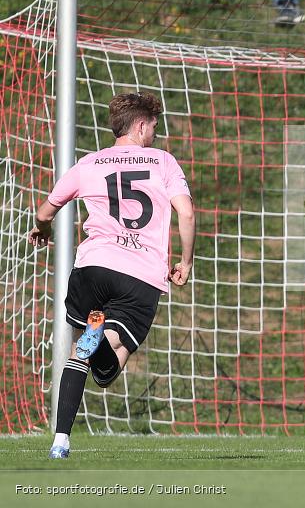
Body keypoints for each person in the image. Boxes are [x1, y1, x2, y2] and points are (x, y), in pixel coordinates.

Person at [29, 93, 194, 459]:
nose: (155, 132)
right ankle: (98, 335)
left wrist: (44, 229)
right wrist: (185, 261)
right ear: (141, 125)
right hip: (139, 275)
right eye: (154, 126)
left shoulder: (89, 163)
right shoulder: (164, 162)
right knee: (108, 370)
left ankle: (60, 441)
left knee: (81, 351)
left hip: (93, 268)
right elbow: (186, 213)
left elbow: (45, 212)